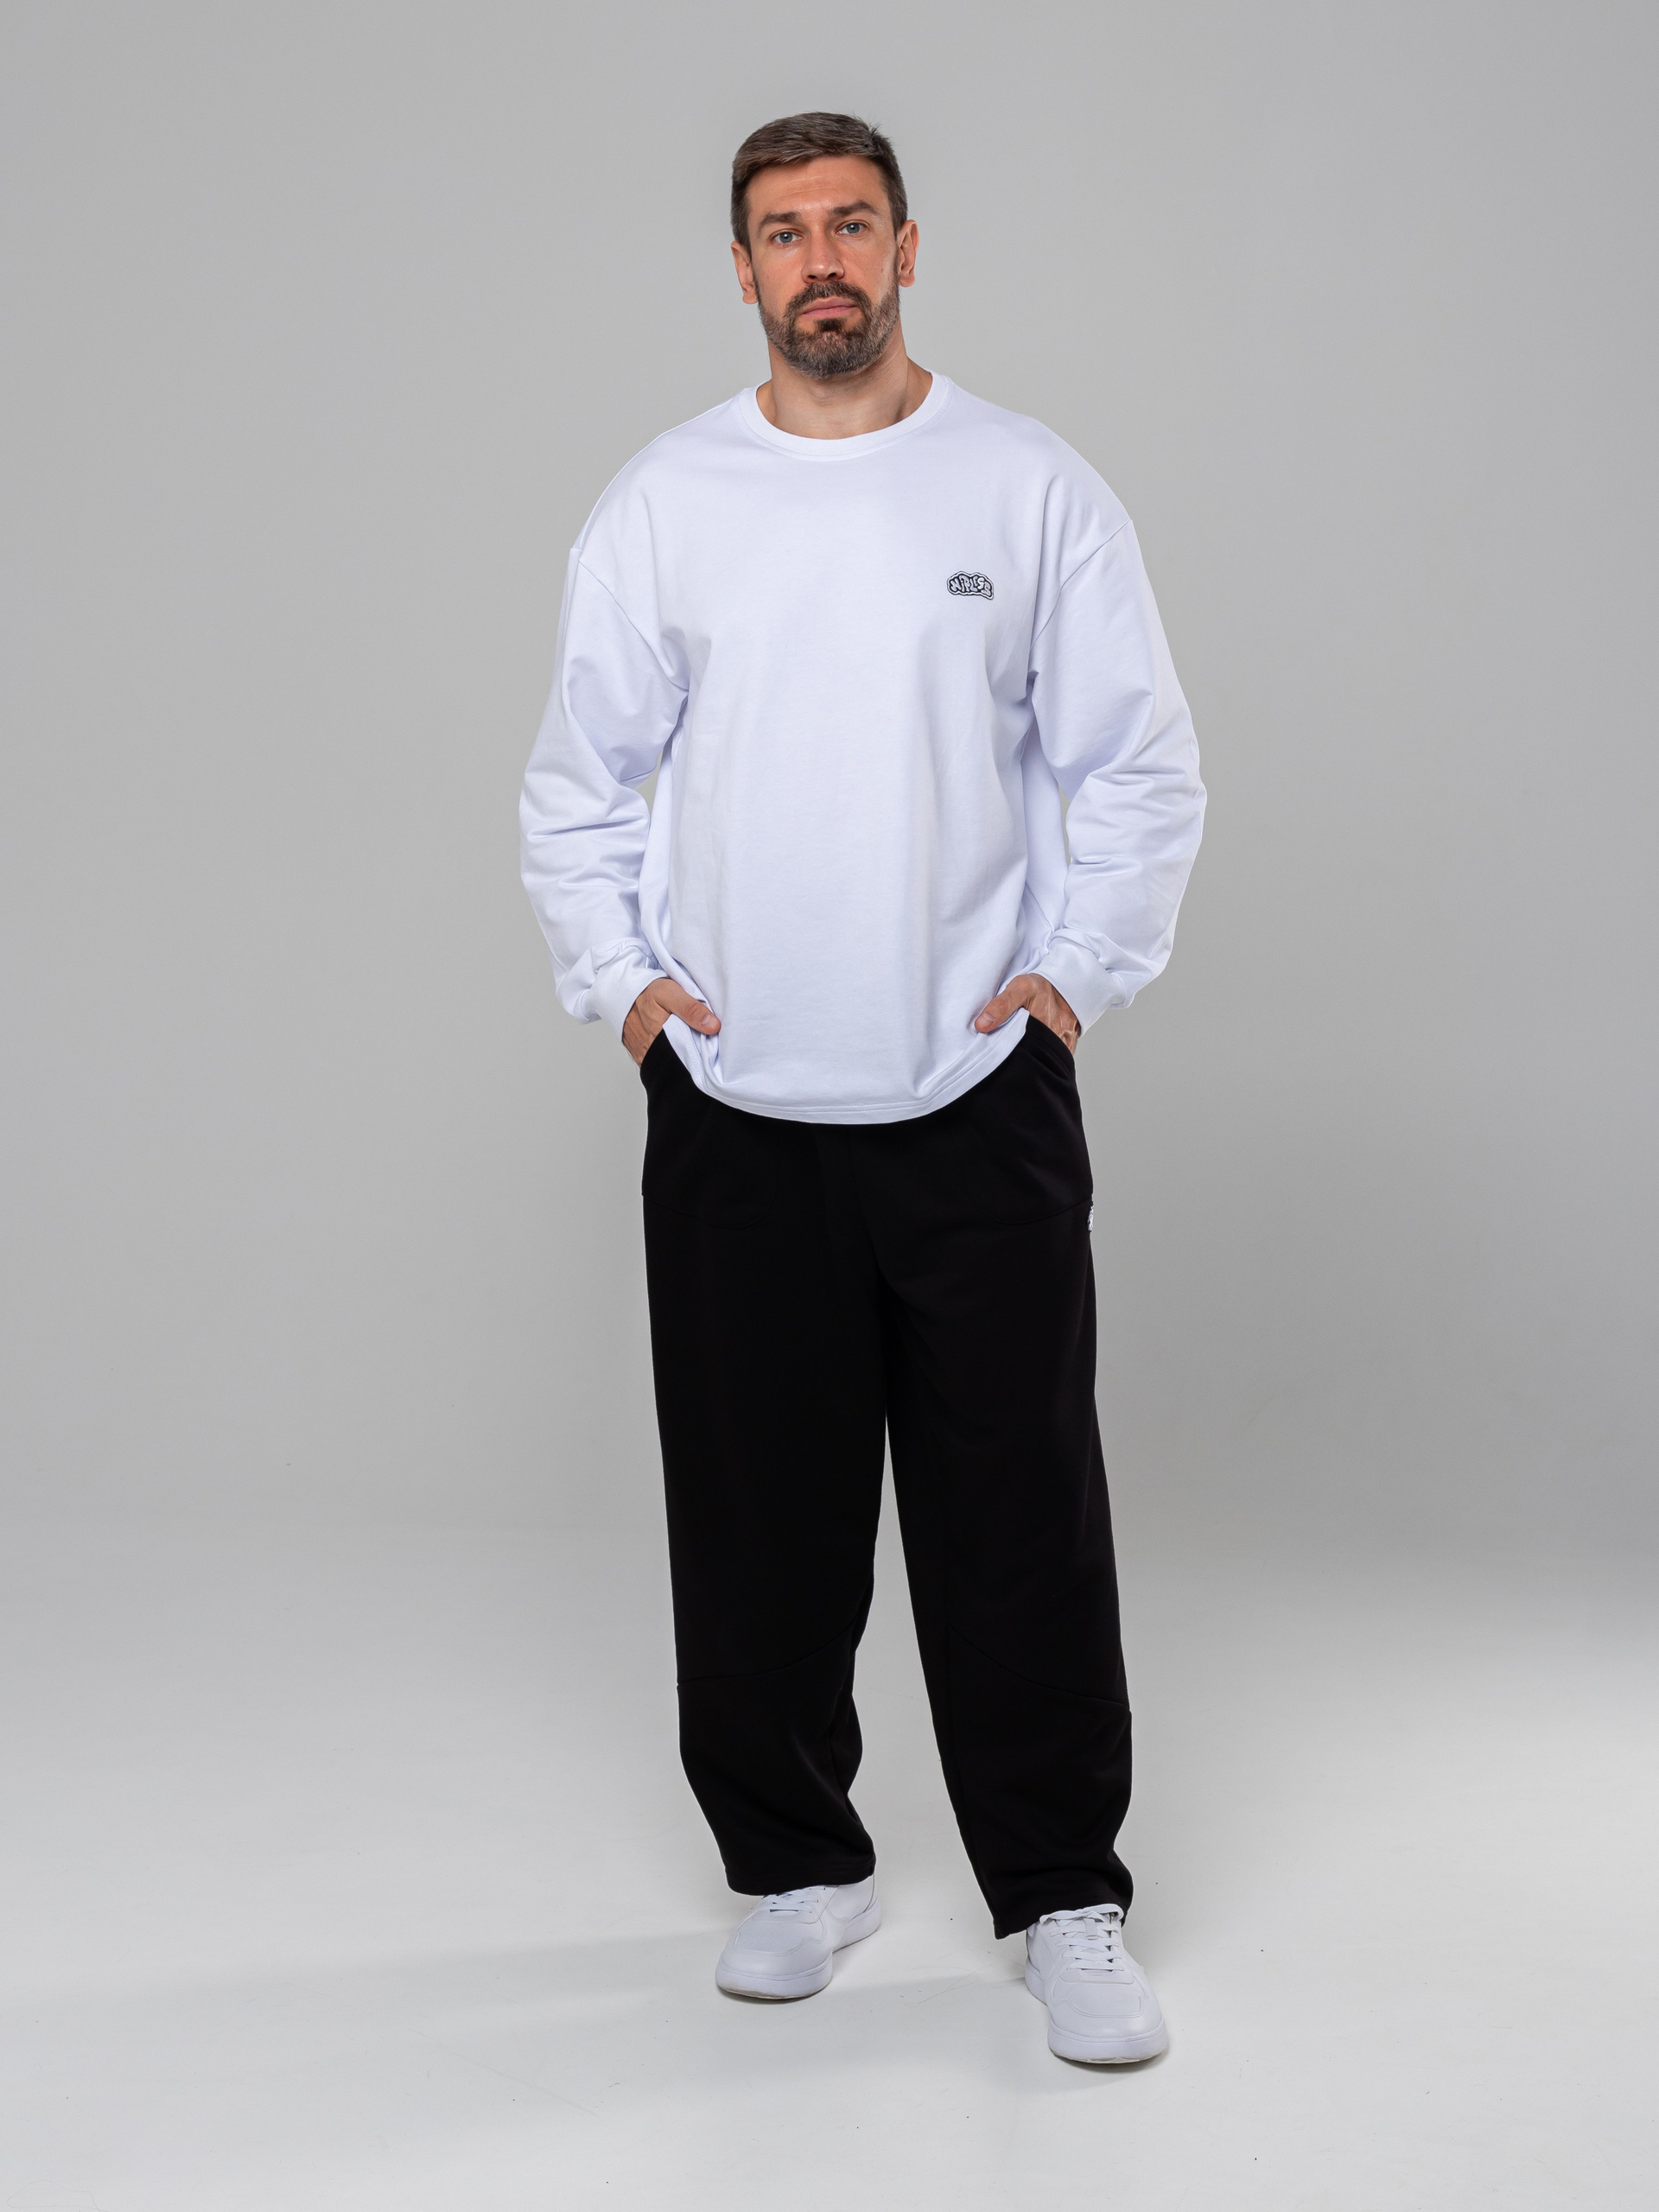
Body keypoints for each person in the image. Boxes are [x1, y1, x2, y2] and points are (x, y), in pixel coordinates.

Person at [520, 111, 1204, 2065]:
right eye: (780, 232)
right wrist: (633, 999)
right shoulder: (666, 501)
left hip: (978, 1082)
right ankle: (794, 1866)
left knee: (1020, 1510)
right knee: (759, 1513)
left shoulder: (1029, 484)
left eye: (849, 225)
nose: (818, 260)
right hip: (739, 1096)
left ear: (908, 247)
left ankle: (1061, 1893)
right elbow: (577, 787)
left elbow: (1136, 765)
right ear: (741, 269)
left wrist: (1069, 984)